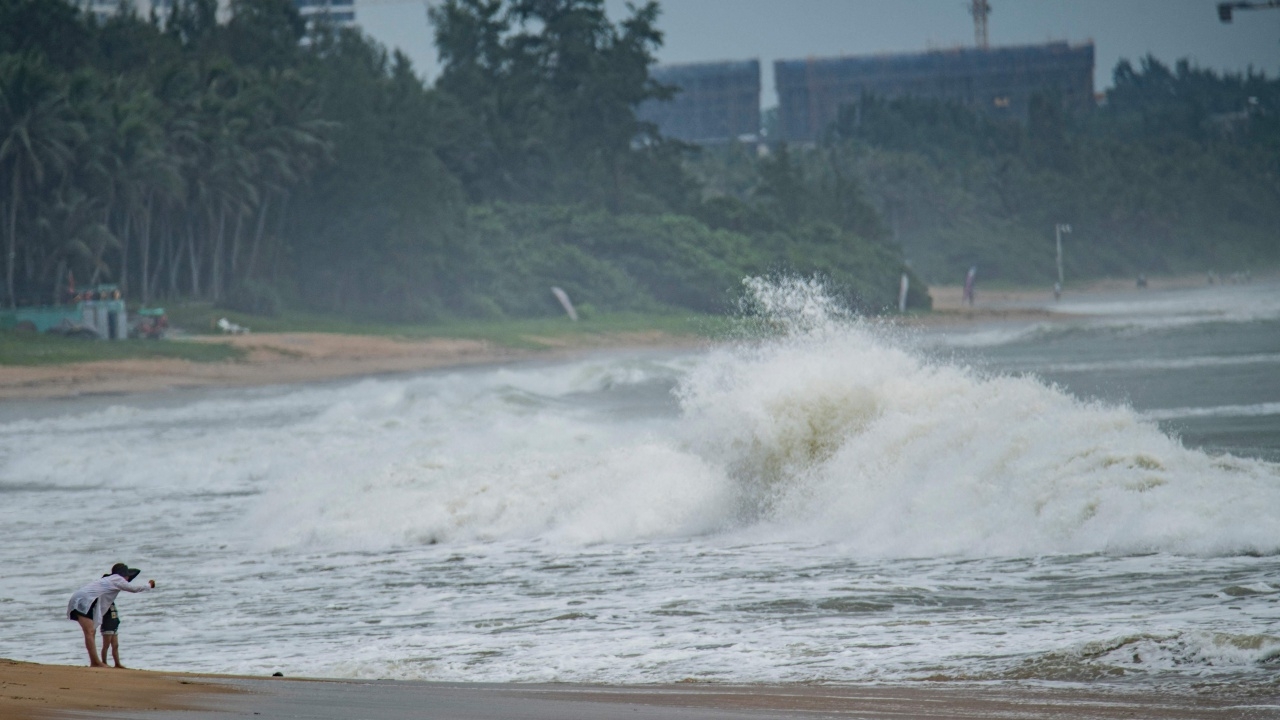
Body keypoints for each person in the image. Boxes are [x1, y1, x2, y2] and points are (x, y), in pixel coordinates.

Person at [67, 563, 155, 668]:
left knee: (90, 631)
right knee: (89, 632)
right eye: (128, 576)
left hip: (82, 599)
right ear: (124, 575)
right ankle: (95, 662)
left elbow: (102, 601)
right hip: (84, 600)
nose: (128, 579)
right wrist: (149, 585)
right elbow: (134, 589)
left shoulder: (108, 580)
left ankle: (94, 661)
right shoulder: (117, 579)